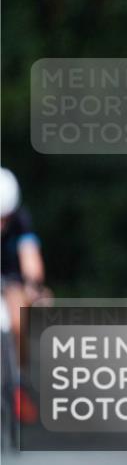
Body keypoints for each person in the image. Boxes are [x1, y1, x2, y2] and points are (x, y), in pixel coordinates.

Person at [0, 167, 47, 422]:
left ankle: (18, 383)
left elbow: (30, 257)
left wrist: (34, 285)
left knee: (19, 320)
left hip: (10, 274)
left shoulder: (20, 219)